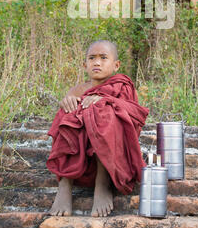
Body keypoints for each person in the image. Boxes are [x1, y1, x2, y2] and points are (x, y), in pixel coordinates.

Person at [46, 39, 149, 218]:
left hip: (109, 157)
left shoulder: (121, 86)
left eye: (103, 57)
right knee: (67, 113)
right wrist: (67, 101)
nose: (97, 62)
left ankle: (102, 184)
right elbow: (66, 118)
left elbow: (135, 115)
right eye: (92, 58)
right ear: (84, 64)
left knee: (105, 112)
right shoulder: (79, 89)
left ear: (116, 65)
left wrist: (107, 101)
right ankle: (65, 184)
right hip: (81, 158)